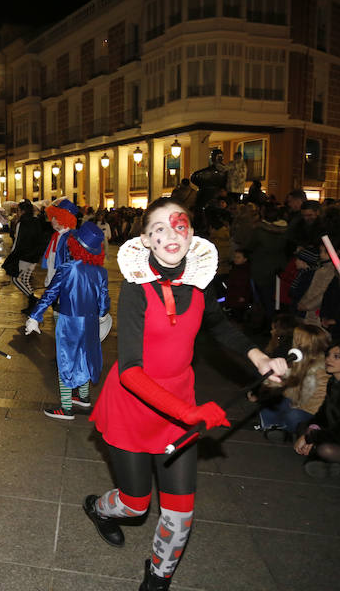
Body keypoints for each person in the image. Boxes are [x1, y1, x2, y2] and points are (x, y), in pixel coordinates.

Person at [84, 197, 288, 590]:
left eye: (178, 226)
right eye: (158, 227)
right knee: (135, 503)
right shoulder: (135, 291)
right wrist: (187, 412)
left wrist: (260, 357)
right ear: (146, 240)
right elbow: (129, 372)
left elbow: (220, 326)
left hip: (179, 406)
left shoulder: (198, 287)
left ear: (190, 234)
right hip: (133, 405)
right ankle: (98, 508)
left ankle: (158, 579)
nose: (170, 233)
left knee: (180, 514)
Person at [25, 221, 109, 420]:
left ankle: (66, 407)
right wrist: (101, 315)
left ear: (75, 245)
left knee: (66, 360)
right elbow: (104, 302)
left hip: (69, 321)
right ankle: (84, 396)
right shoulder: (101, 272)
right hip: (90, 322)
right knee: (85, 357)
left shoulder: (68, 268)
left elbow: (49, 295)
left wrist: (34, 317)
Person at [294, 341, 340, 478]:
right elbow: (324, 413)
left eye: (337, 356)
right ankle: (325, 461)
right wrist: (313, 428)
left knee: (326, 449)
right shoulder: (335, 381)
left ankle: (319, 458)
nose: (328, 359)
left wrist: (311, 438)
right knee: (303, 426)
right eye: (328, 355)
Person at [256, 324, 330, 440]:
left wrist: (295, 407)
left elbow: (318, 405)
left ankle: (281, 429)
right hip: (294, 404)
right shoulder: (296, 360)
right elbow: (287, 392)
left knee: (293, 416)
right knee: (270, 403)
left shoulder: (322, 370)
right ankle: (274, 428)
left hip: (309, 412)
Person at [9, 200, 43, 315]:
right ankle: (32, 303)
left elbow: (17, 241)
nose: (17, 213)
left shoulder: (22, 223)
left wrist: (12, 254)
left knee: (15, 279)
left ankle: (33, 299)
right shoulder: (36, 221)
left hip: (24, 256)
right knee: (25, 279)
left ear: (22, 211)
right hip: (34, 255)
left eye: (18, 210)